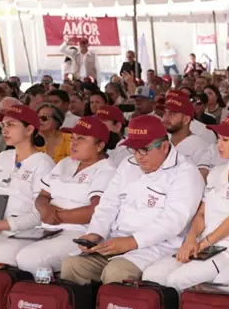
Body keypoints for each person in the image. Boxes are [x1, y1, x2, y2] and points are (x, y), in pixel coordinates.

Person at [60, 116, 204, 285]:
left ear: (164, 147)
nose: (138, 156)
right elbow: (108, 204)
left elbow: (173, 221)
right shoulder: (128, 164)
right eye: (134, 150)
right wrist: (95, 233)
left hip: (154, 246)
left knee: (117, 271)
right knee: (72, 265)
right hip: (113, 241)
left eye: (143, 149)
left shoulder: (186, 172)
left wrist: (132, 242)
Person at [142, 112, 229, 290]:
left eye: (225, 140)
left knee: (178, 279)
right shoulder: (217, 171)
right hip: (204, 244)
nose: (219, 145)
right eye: (219, 139)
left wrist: (202, 244)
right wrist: (191, 241)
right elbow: (201, 213)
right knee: (153, 275)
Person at [0, 117, 116, 273]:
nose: (74, 143)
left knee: (30, 258)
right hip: (46, 228)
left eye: (81, 139)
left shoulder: (107, 170)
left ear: (100, 145)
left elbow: (95, 211)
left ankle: (43, 294)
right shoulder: (66, 162)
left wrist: (55, 215)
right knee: (2, 253)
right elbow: (42, 196)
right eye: (72, 138)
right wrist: (45, 210)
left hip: (79, 232)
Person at [0, 104, 55, 257]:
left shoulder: (43, 163)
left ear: (29, 130)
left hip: (23, 232)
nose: (4, 130)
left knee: (2, 252)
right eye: (3, 125)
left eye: (11, 125)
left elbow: (39, 213)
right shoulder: (1, 158)